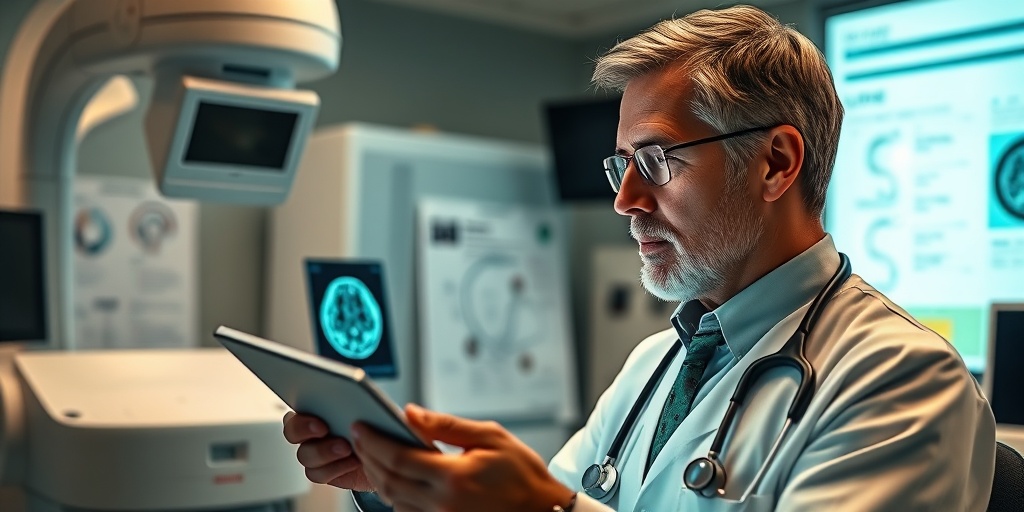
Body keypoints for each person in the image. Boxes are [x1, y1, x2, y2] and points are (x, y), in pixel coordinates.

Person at [283, 5, 996, 511]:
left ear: (775, 162)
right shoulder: (655, 363)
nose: (625, 199)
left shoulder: (900, 380)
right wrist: (404, 490)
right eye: (620, 164)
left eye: (654, 160)